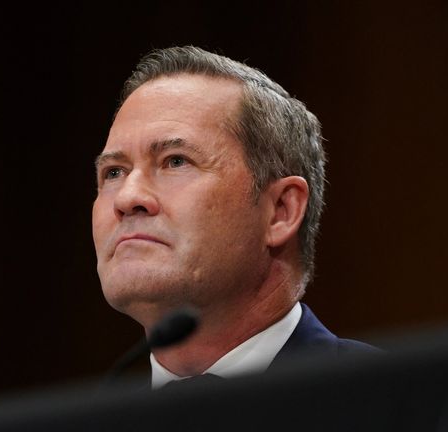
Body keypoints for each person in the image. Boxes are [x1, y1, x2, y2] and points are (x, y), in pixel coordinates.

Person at [92, 45, 378, 389]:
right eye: (114, 172)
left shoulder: (392, 399)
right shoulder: (93, 413)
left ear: (281, 211)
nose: (127, 198)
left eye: (176, 161)